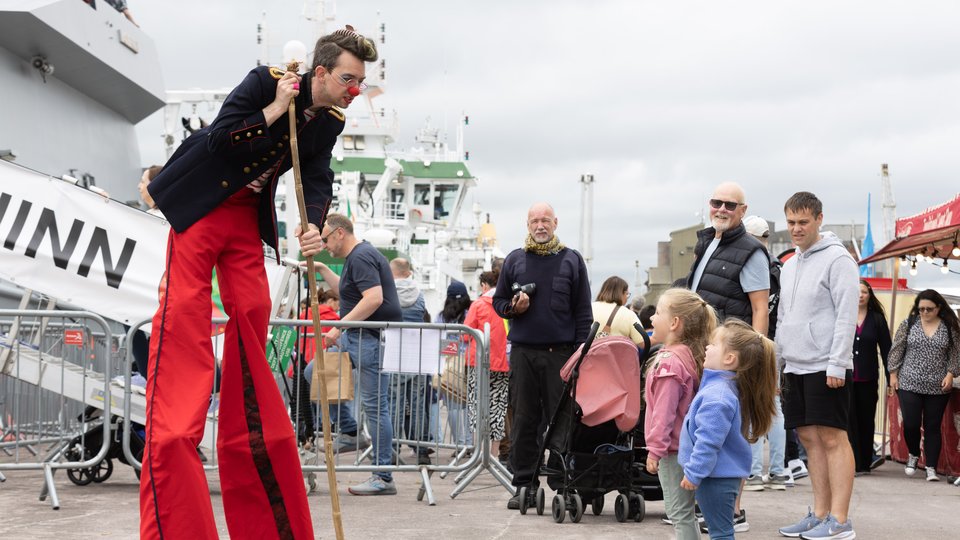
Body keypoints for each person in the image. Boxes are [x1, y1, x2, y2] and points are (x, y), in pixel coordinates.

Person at [140, 27, 379, 538]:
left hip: (246, 220)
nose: (354, 90)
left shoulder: (329, 121)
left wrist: (313, 222)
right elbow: (221, 139)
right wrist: (274, 109)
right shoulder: (261, 82)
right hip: (202, 207)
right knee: (185, 313)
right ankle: (178, 436)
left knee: (253, 314)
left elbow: (316, 174)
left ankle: (258, 459)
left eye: (360, 81)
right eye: (348, 79)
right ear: (319, 73)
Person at [493, 202, 592, 509]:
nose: (540, 225)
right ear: (527, 224)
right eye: (535, 220)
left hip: (560, 355)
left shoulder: (572, 260)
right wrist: (513, 308)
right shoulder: (514, 260)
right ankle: (524, 483)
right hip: (523, 353)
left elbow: (583, 311)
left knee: (562, 420)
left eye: (545, 220)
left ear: (555, 223)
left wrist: (580, 353)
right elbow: (498, 302)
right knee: (524, 420)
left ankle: (563, 483)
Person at [776, 191, 860, 539]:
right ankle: (820, 512)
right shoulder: (790, 264)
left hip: (827, 363)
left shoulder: (839, 260)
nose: (796, 229)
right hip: (794, 365)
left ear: (819, 219)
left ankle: (839, 520)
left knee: (832, 438)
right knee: (809, 438)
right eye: (791, 222)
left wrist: (838, 363)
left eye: (803, 222)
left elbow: (845, 315)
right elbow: (782, 317)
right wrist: (778, 365)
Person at [687, 183, 770, 532]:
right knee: (706, 426)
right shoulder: (708, 241)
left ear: (742, 210)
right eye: (716, 202)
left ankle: (732, 509)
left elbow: (759, 308)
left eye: (729, 204)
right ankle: (708, 502)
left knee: (728, 431)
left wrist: (755, 359)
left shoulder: (751, 251)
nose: (721, 208)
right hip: (708, 352)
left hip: (731, 358)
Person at [314, 213, 402, 495]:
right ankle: (351, 431)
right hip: (359, 339)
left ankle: (383, 476)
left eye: (326, 238)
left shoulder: (361, 256)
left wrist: (338, 328)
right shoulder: (358, 256)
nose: (325, 244)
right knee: (312, 371)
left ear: (340, 233)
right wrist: (322, 269)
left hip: (368, 340)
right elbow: (350, 292)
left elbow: (373, 299)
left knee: (376, 407)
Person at [680, 319, 778, 540]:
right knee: (721, 533)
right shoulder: (722, 389)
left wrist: (694, 473)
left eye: (713, 344)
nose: (707, 347)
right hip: (719, 477)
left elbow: (708, 441)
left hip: (716, 478)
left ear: (729, 358)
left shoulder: (718, 396)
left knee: (721, 534)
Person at [645, 288, 716, 540]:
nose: (652, 318)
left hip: (673, 450)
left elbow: (664, 412)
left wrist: (655, 449)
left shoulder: (668, 363)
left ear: (674, 323)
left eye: (658, 312)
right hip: (684, 446)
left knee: (679, 513)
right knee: (686, 512)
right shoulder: (689, 355)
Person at [887, 289, 960, 482]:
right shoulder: (909, 324)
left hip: (937, 385)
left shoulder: (949, 328)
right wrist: (893, 375)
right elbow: (896, 350)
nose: (925, 313)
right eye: (921, 309)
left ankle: (931, 468)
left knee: (932, 426)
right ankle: (913, 454)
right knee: (911, 423)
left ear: (938, 308)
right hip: (909, 382)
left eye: (929, 309)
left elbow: (955, 354)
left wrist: (951, 374)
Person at [740, 215, 789, 492]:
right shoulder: (781, 269)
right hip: (776, 344)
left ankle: (756, 473)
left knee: (751, 408)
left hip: (752, 341)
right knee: (775, 408)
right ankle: (779, 472)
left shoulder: (748, 263)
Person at [388, 258, 431, 465]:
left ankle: (393, 448)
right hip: (418, 354)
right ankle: (421, 449)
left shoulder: (388, 294)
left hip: (395, 354)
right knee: (417, 404)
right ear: (408, 272)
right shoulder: (419, 294)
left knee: (394, 403)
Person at [464, 270, 510, 457]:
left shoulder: (479, 304)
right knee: (498, 407)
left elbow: (466, 333)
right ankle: (494, 453)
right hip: (502, 363)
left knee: (477, 405)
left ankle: (478, 452)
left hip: (478, 362)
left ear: (484, 285)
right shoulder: (507, 305)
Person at [848, 279, 892, 475]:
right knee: (849, 421)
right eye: (857, 292)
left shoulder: (877, 320)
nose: (860, 295)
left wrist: (892, 379)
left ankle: (865, 463)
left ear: (869, 295)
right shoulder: (844, 316)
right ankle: (852, 462)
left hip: (867, 378)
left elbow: (887, 350)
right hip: (844, 379)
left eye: (864, 292)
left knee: (866, 420)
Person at [435, 280, 473, 449]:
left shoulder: (442, 316)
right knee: (470, 405)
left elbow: (436, 339)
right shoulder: (471, 312)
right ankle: (470, 444)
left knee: (453, 407)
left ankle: (459, 445)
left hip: (448, 365)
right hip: (470, 363)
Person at [591, 276, 647, 346]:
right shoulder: (628, 314)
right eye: (627, 294)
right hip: (619, 356)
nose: (627, 298)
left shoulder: (589, 308)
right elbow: (643, 343)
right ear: (622, 294)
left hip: (590, 356)